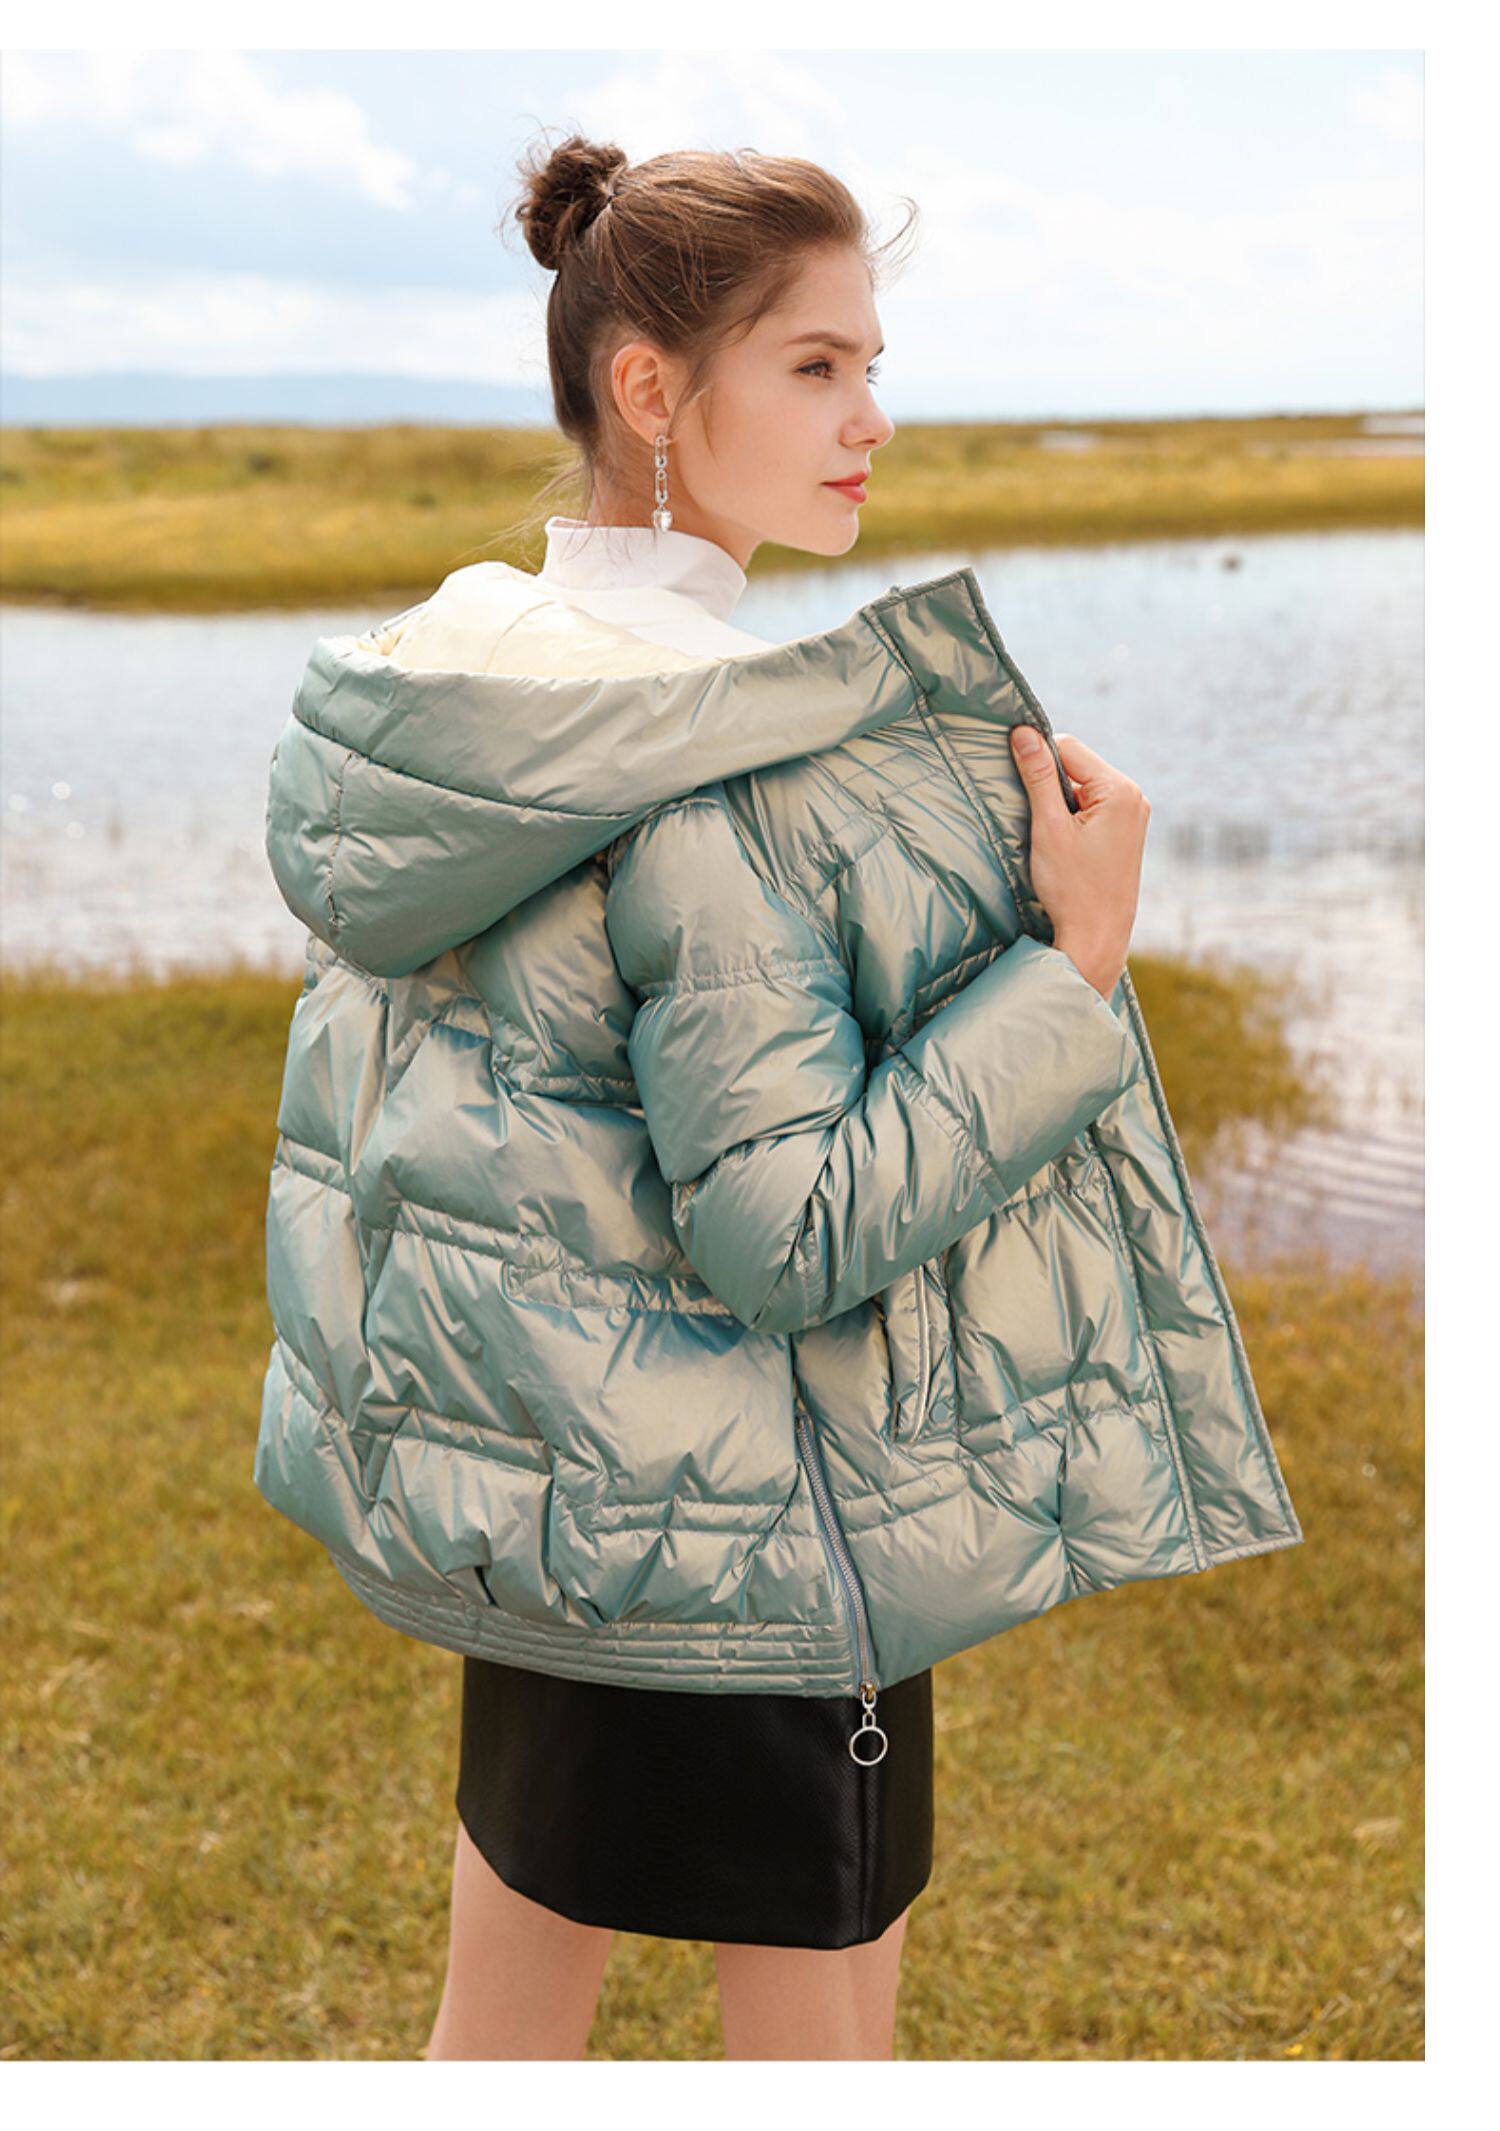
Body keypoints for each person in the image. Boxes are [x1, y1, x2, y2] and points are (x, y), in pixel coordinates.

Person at [256, 131, 1300, 2063]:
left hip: (552, 1525)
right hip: (763, 1548)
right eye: (816, 366)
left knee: (495, 2041)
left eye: (874, 365)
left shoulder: (473, 684)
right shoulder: (727, 758)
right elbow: (789, 1231)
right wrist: (1070, 970)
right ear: (651, 390)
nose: (872, 419)